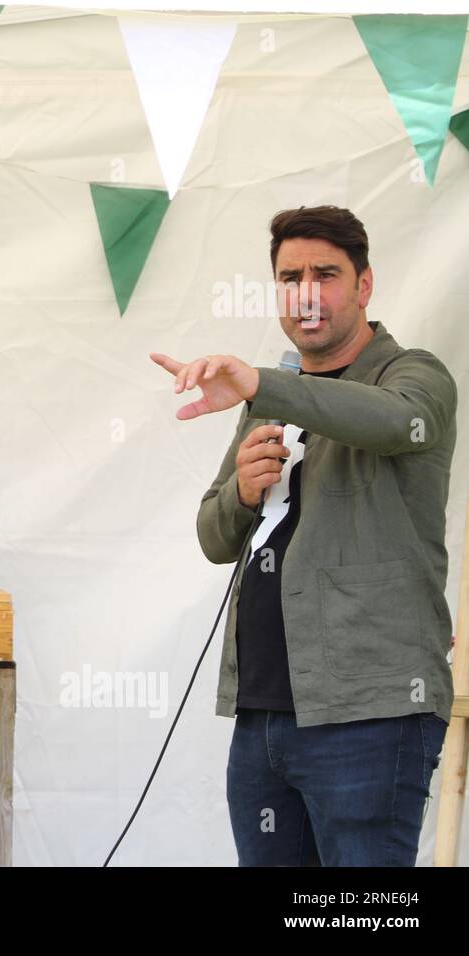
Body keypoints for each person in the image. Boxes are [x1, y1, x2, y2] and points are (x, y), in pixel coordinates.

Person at [150, 205, 456, 866]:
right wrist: (243, 489)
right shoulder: (270, 397)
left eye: (326, 274)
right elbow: (213, 535)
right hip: (263, 714)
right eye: (291, 277)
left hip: (370, 711)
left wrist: (266, 384)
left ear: (365, 285)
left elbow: (387, 421)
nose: (307, 292)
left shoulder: (414, 377)